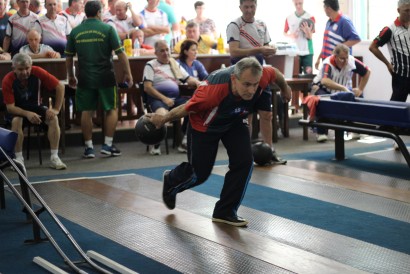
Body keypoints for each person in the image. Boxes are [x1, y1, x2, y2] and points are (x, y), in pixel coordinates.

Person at [148, 57, 291, 227]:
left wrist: (285, 88)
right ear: (233, 79)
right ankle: (171, 179)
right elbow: (186, 108)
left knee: (244, 162)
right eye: (246, 84)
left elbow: (274, 72)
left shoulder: (261, 75)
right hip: (205, 125)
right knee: (199, 174)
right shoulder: (213, 90)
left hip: (234, 120)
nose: (252, 90)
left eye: (255, 84)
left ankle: (225, 211)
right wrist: (163, 119)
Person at [65, 0, 133, 158]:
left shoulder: (76, 32)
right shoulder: (108, 29)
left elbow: (68, 57)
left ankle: (89, 148)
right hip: (105, 77)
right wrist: (128, 73)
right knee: (111, 109)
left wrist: (71, 75)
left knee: (86, 111)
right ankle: (107, 145)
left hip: (85, 77)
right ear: (98, 12)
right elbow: (121, 54)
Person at [227, 0, 286, 165]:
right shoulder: (234, 25)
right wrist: (259, 49)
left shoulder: (262, 24)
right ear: (240, 7)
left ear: (256, 7)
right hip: (241, 76)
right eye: (246, 7)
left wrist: (269, 50)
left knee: (267, 114)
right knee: (248, 116)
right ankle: (246, 153)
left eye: (252, 6)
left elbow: (266, 48)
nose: (249, 10)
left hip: (260, 74)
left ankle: (269, 151)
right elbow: (234, 51)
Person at [1, 53, 67, 169]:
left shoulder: (38, 71)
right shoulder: (8, 80)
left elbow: (60, 86)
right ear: (14, 69)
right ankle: (18, 158)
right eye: (21, 69)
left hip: (36, 106)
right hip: (18, 109)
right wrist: (27, 114)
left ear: (31, 66)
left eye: (27, 68)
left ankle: (54, 157)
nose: (25, 72)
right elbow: (10, 107)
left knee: (53, 119)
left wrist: (56, 109)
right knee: (16, 121)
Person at [143, 40, 199, 156]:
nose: (166, 53)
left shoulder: (174, 63)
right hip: (158, 99)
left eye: (167, 50)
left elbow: (188, 78)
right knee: (161, 114)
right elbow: (147, 88)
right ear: (156, 53)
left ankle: (184, 141)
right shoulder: (150, 65)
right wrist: (164, 99)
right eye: (162, 50)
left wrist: (199, 83)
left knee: (193, 107)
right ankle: (156, 143)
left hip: (176, 98)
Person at [312, 44, 371, 142]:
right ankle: (321, 132)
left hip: (343, 90)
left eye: (346, 58)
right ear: (335, 57)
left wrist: (360, 89)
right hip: (325, 89)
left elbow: (367, 71)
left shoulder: (351, 61)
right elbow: (325, 81)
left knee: (359, 97)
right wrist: (343, 88)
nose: (345, 61)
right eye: (342, 59)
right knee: (321, 99)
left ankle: (355, 129)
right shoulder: (328, 63)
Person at [369, 0, 410, 103]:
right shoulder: (390, 29)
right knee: (397, 104)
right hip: (401, 75)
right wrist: (387, 63)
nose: (409, 13)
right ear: (398, 10)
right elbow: (373, 47)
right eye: (406, 11)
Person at [315, 0, 361, 70]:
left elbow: (356, 39)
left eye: (324, 7)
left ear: (329, 8)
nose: (324, 10)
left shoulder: (344, 21)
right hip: (327, 62)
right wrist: (319, 58)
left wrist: (338, 49)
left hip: (339, 64)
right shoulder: (329, 22)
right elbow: (326, 43)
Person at [284, 0, 315, 74]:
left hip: (307, 52)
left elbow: (310, 37)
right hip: (295, 52)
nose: (298, 6)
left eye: (300, 3)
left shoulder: (310, 17)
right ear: (293, 3)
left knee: (308, 77)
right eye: (296, 4)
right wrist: (291, 35)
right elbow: (284, 33)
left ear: (303, 2)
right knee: (295, 76)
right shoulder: (289, 18)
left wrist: (307, 31)